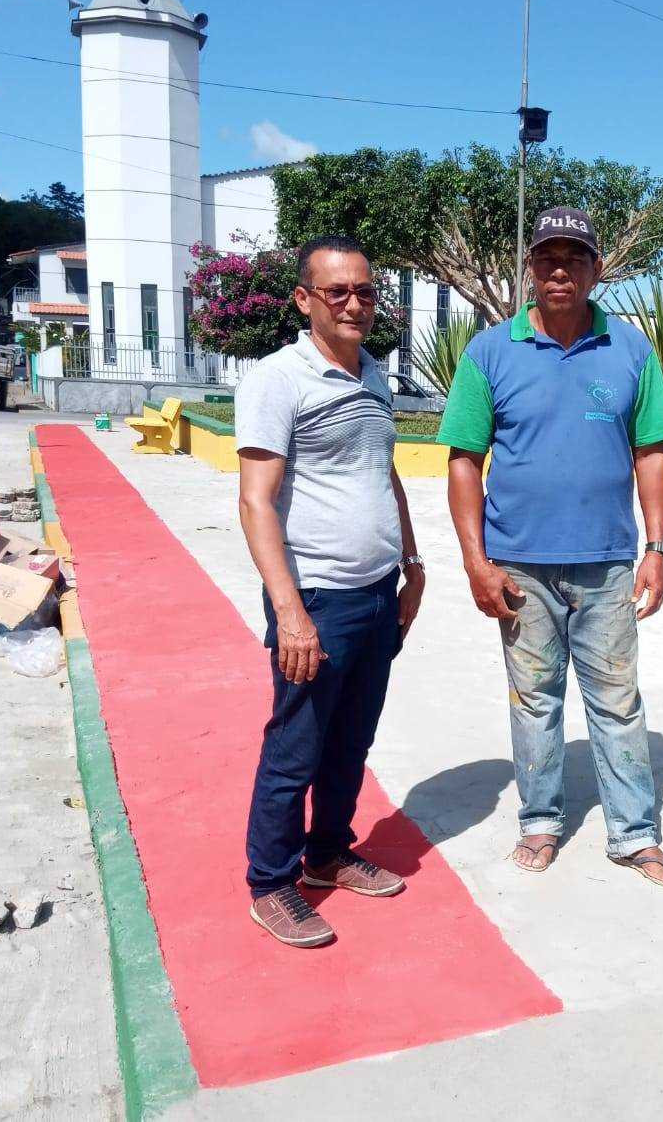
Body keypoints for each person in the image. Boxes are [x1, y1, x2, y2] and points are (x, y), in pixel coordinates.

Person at [437, 206, 663, 889]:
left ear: (595, 269)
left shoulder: (630, 349)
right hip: (518, 563)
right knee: (534, 698)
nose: (559, 269)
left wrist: (657, 547)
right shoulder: (490, 351)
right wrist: (475, 560)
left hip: (606, 563)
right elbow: (464, 460)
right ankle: (541, 822)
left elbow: (652, 450)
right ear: (529, 267)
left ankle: (633, 834)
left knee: (616, 700)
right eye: (547, 256)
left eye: (574, 258)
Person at [234, 235, 426, 948]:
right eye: (337, 291)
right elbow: (257, 502)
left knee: (352, 740)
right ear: (305, 299)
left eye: (366, 291)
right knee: (298, 746)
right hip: (315, 598)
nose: (354, 303)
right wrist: (290, 612)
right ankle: (270, 882)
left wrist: (412, 565)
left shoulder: (375, 375)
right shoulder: (278, 379)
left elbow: (385, 473)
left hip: (377, 592)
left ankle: (327, 855)